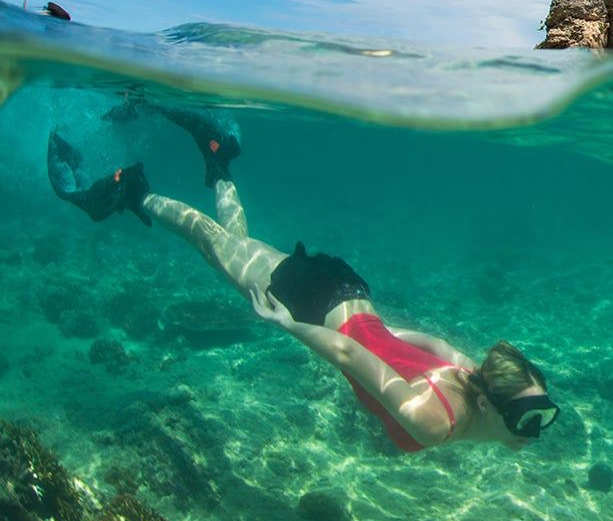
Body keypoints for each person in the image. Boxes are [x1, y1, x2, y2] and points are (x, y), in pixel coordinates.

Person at [46, 108, 558, 453]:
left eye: (539, 415)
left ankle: (217, 157)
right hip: (317, 305)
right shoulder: (437, 420)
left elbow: (425, 343)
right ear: (490, 403)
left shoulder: (470, 375)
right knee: (216, 248)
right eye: (532, 417)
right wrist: (285, 322)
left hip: (349, 296)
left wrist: (376, 333)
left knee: (234, 247)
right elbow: (346, 356)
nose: (536, 430)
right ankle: (135, 193)